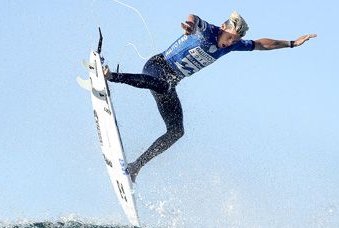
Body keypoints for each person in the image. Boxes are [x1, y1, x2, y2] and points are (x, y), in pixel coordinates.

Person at [104, 11, 317, 183]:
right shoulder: (208, 31)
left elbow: (260, 44)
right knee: (164, 84)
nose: (230, 42)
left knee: (177, 131)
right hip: (157, 66)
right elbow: (193, 17)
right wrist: (189, 25)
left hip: (169, 84)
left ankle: (135, 167)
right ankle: (112, 76)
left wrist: (291, 43)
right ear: (223, 28)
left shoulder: (232, 46)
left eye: (235, 40)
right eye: (229, 37)